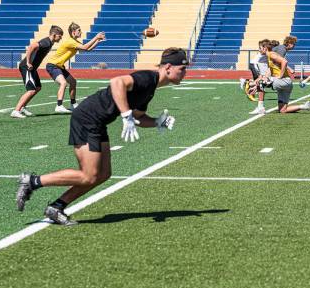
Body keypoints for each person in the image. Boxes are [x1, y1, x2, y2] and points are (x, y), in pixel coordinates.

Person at [15, 47, 188, 225]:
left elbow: (138, 117)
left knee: (104, 174)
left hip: (97, 122)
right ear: (168, 67)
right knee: (88, 175)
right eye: (182, 69)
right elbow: (116, 83)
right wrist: (125, 114)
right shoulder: (147, 78)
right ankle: (32, 181)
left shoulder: (151, 87)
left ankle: (57, 207)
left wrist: (158, 122)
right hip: (87, 119)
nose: (185, 73)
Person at [45, 22, 105, 113]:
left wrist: (97, 41)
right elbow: (85, 47)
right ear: (73, 32)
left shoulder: (74, 42)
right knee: (63, 83)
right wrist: (96, 37)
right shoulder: (70, 41)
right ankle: (59, 105)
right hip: (53, 65)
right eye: (79, 30)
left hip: (59, 66)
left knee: (73, 82)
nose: (81, 32)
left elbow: (88, 49)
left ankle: (73, 104)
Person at [11, 26, 64, 119]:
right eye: (60, 36)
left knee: (38, 87)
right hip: (27, 67)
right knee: (31, 90)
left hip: (32, 68)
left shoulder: (50, 43)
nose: (61, 38)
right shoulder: (46, 42)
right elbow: (32, 46)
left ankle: (23, 107)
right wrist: (28, 62)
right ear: (54, 35)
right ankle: (16, 111)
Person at [263, 42, 310, 114]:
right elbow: (272, 69)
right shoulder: (272, 57)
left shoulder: (271, 54)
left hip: (284, 81)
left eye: (260, 48)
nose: (259, 50)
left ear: (265, 48)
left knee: (261, 84)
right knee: (282, 110)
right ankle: (306, 106)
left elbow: (284, 61)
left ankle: (260, 107)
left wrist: (280, 75)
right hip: (286, 84)